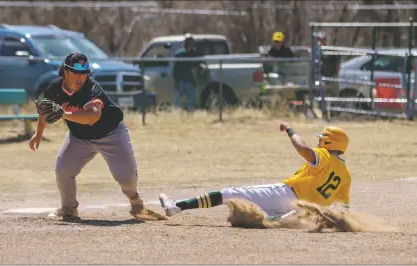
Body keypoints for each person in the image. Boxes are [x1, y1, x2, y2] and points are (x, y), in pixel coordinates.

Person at [28, 52, 159, 221]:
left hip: (110, 134)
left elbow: (92, 116)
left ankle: (136, 202)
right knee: (63, 170)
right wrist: (38, 133)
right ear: (65, 72)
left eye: (84, 73)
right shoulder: (55, 87)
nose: (80, 77)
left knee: (126, 177)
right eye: (76, 73)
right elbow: (44, 110)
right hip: (80, 137)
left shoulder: (91, 88)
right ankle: (68, 209)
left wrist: (64, 114)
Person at [159, 122, 351, 220]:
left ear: (329, 142)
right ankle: (277, 219)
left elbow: (303, 150)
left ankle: (177, 206)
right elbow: (344, 211)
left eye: (322, 138)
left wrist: (290, 130)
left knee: (230, 194)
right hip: (301, 210)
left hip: (285, 193)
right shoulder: (346, 175)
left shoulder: (325, 155)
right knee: (243, 217)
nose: (319, 141)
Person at [172, 33, 204, 112]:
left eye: (190, 42)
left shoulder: (195, 54)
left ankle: (191, 116)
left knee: (191, 101)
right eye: (186, 42)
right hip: (180, 81)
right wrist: (176, 81)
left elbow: (199, 65)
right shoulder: (179, 54)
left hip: (190, 80)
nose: (188, 44)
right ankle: (176, 116)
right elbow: (175, 69)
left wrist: (201, 69)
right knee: (177, 101)